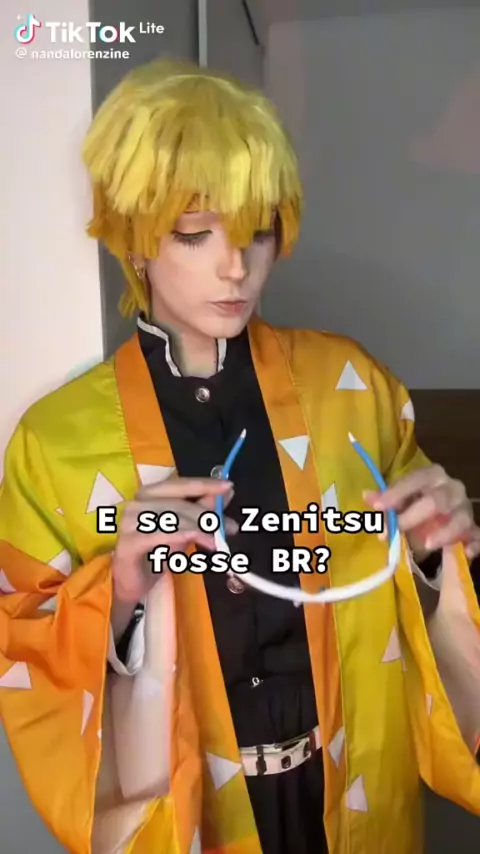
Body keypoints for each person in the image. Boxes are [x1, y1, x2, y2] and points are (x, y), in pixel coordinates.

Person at [1, 58, 480, 854]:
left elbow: (416, 586)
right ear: (135, 239)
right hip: (195, 814)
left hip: (356, 789)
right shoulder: (58, 441)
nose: (235, 266)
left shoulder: (353, 387)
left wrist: (433, 558)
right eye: (195, 234)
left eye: (257, 229)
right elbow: (22, 634)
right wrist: (118, 594)